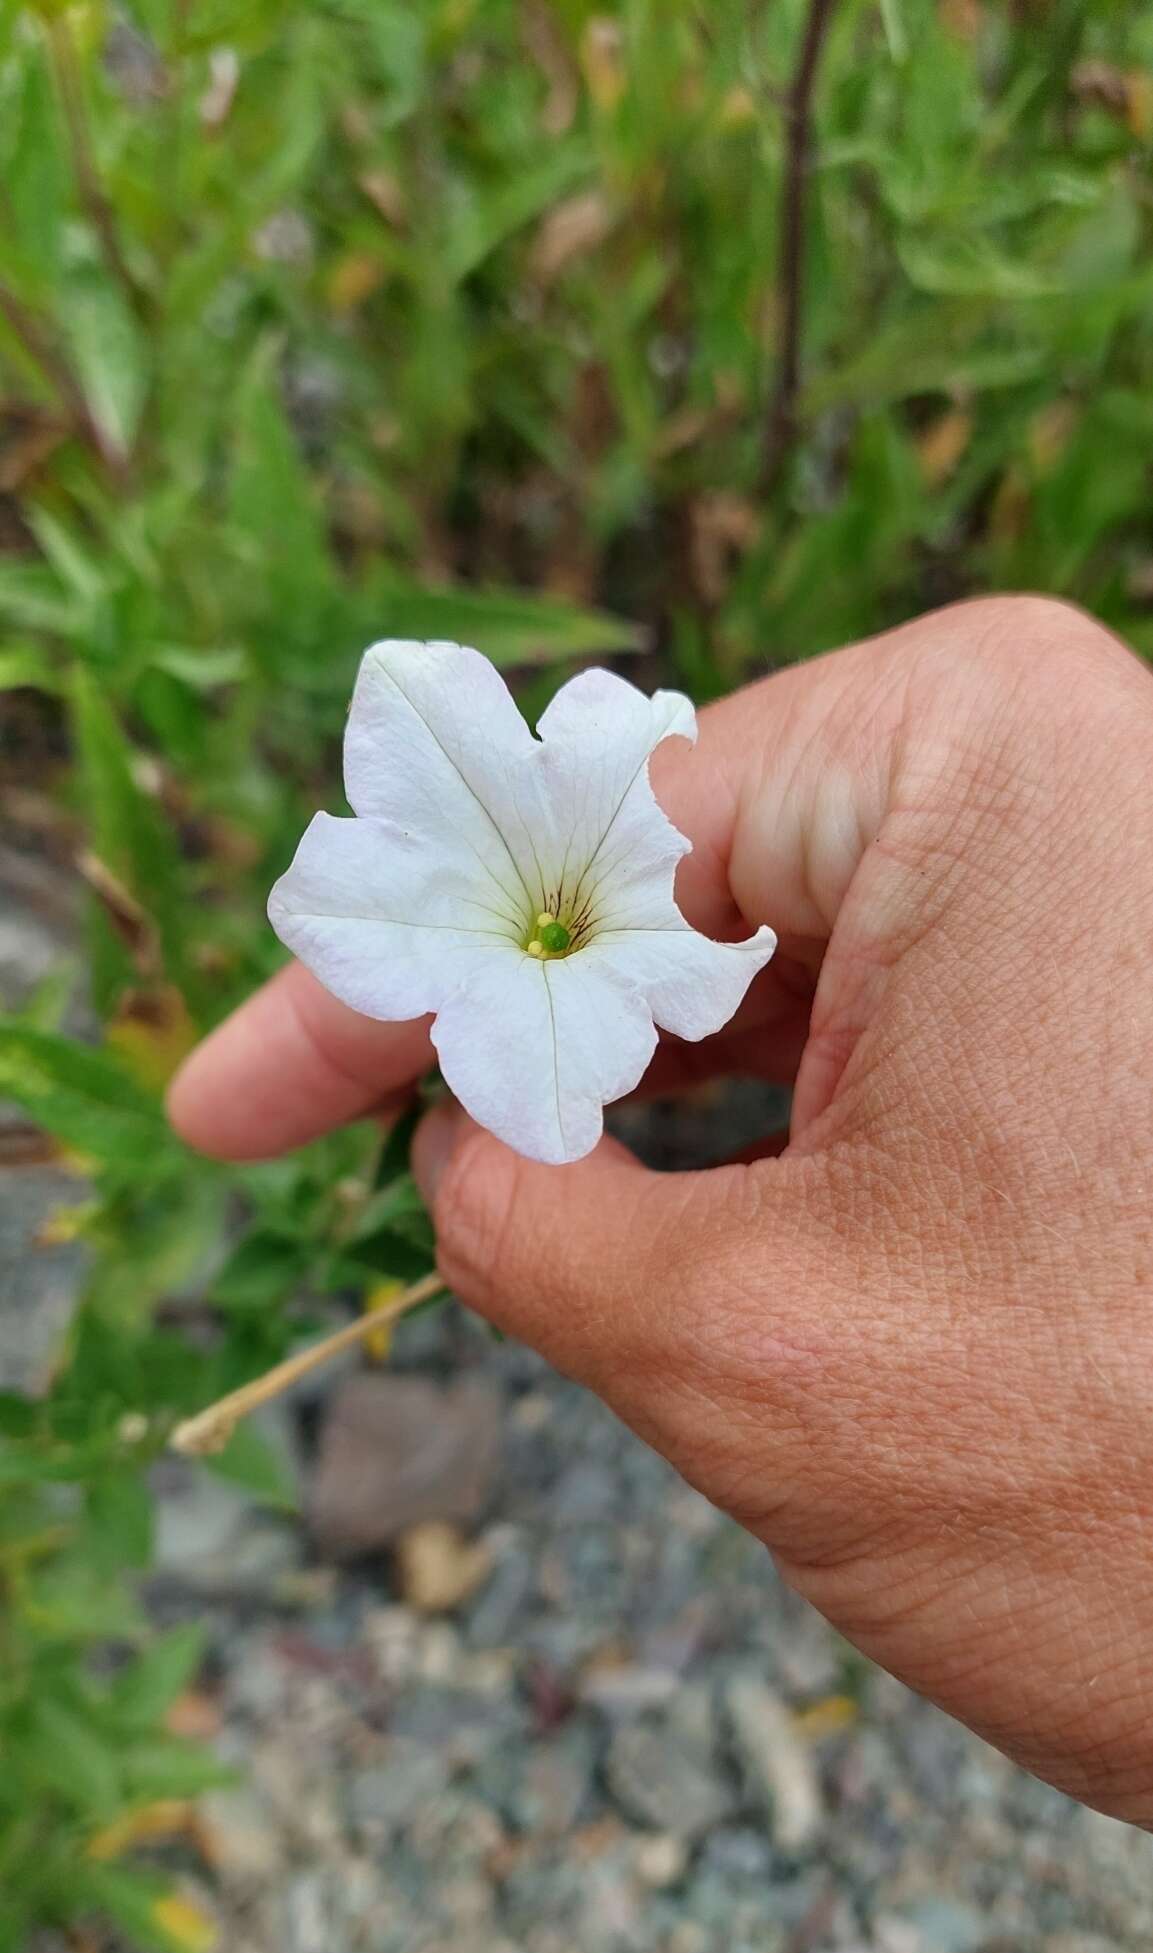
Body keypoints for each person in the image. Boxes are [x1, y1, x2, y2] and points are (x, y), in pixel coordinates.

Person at [168, 596, 1153, 1827]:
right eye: (546, 930)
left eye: (551, 927)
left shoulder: (590, 913)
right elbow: (358, 888)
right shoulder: (477, 895)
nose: (544, 928)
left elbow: (649, 938)